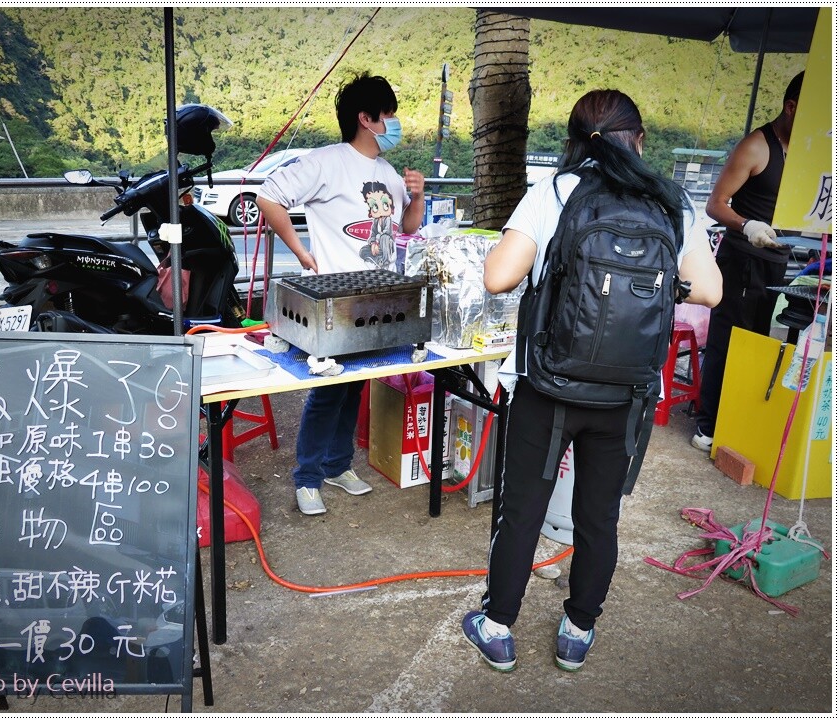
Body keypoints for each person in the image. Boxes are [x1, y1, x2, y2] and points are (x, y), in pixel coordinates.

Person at [461, 89, 722, 673]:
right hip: (627, 393)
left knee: (522, 509)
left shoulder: (555, 192)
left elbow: (500, 276)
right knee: (598, 516)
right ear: (641, 139)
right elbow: (711, 292)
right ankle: (577, 631)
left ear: (575, 141)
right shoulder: (672, 201)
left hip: (549, 383)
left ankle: (497, 625)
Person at [256, 73, 425, 516]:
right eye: (387, 114)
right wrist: (300, 250)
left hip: (377, 296)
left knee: (355, 386)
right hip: (332, 297)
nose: (394, 122)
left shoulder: (387, 173)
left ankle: (337, 465)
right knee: (329, 389)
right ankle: (307, 478)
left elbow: (406, 230)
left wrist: (416, 197)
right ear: (366, 119)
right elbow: (269, 196)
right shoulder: (327, 162)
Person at [692, 72, 804, 452]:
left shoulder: (808, 152)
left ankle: (738, 420)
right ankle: (708, 426)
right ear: (791, 107)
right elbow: (715, 203)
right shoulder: (758, 146)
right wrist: (747, 224)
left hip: (777, 263)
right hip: (741, 259)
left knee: (757, 341)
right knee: (729, 341)